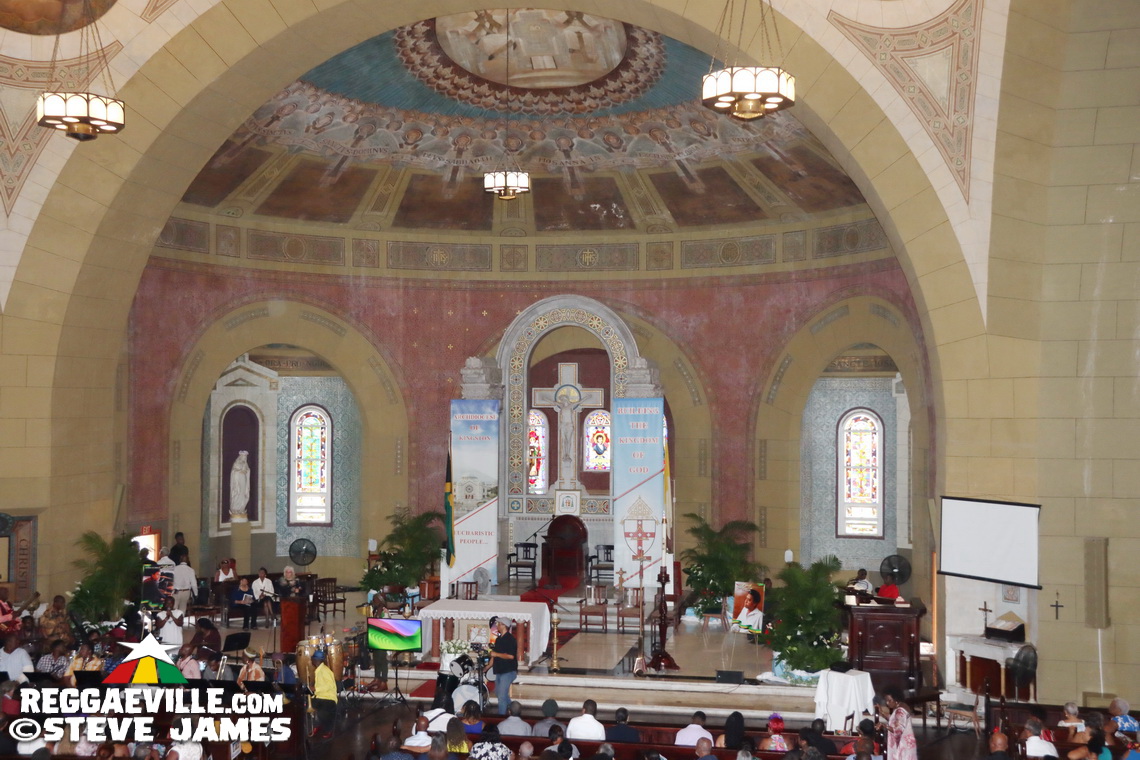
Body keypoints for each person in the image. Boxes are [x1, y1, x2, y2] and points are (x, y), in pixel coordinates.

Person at [487, 617, 517, 715]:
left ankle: (501, 717)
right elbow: (494, 655)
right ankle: (515, 708)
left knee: (501, 696)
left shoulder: (510, 639)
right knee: (498, 693)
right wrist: (487, 667)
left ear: (504, 625)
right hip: (500, 670)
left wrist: (496, 655)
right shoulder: (499, 639)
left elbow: (511, 656)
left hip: (508, 671)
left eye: (499, 624)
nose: (497, 625)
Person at [880, 686, 917, 760]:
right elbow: (895, 720)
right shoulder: (902, 705)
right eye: (886, 700)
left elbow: (898, 730)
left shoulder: (900, 711)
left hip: (902, 745)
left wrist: (884, 726)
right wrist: (882, 713)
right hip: (908, 743)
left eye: (889, 700)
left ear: (896, 699)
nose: (887, 703)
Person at [310, 649, 337, 739]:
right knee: (307, 706)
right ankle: (316, 725)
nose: (312, 661)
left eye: (313, 659)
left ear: (316, 660)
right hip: (320, 696)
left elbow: (329, 686)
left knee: (324, 710)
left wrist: (315, 688)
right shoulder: (319, 670)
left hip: (328, 698)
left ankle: (328, 730)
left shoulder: (325, 671)